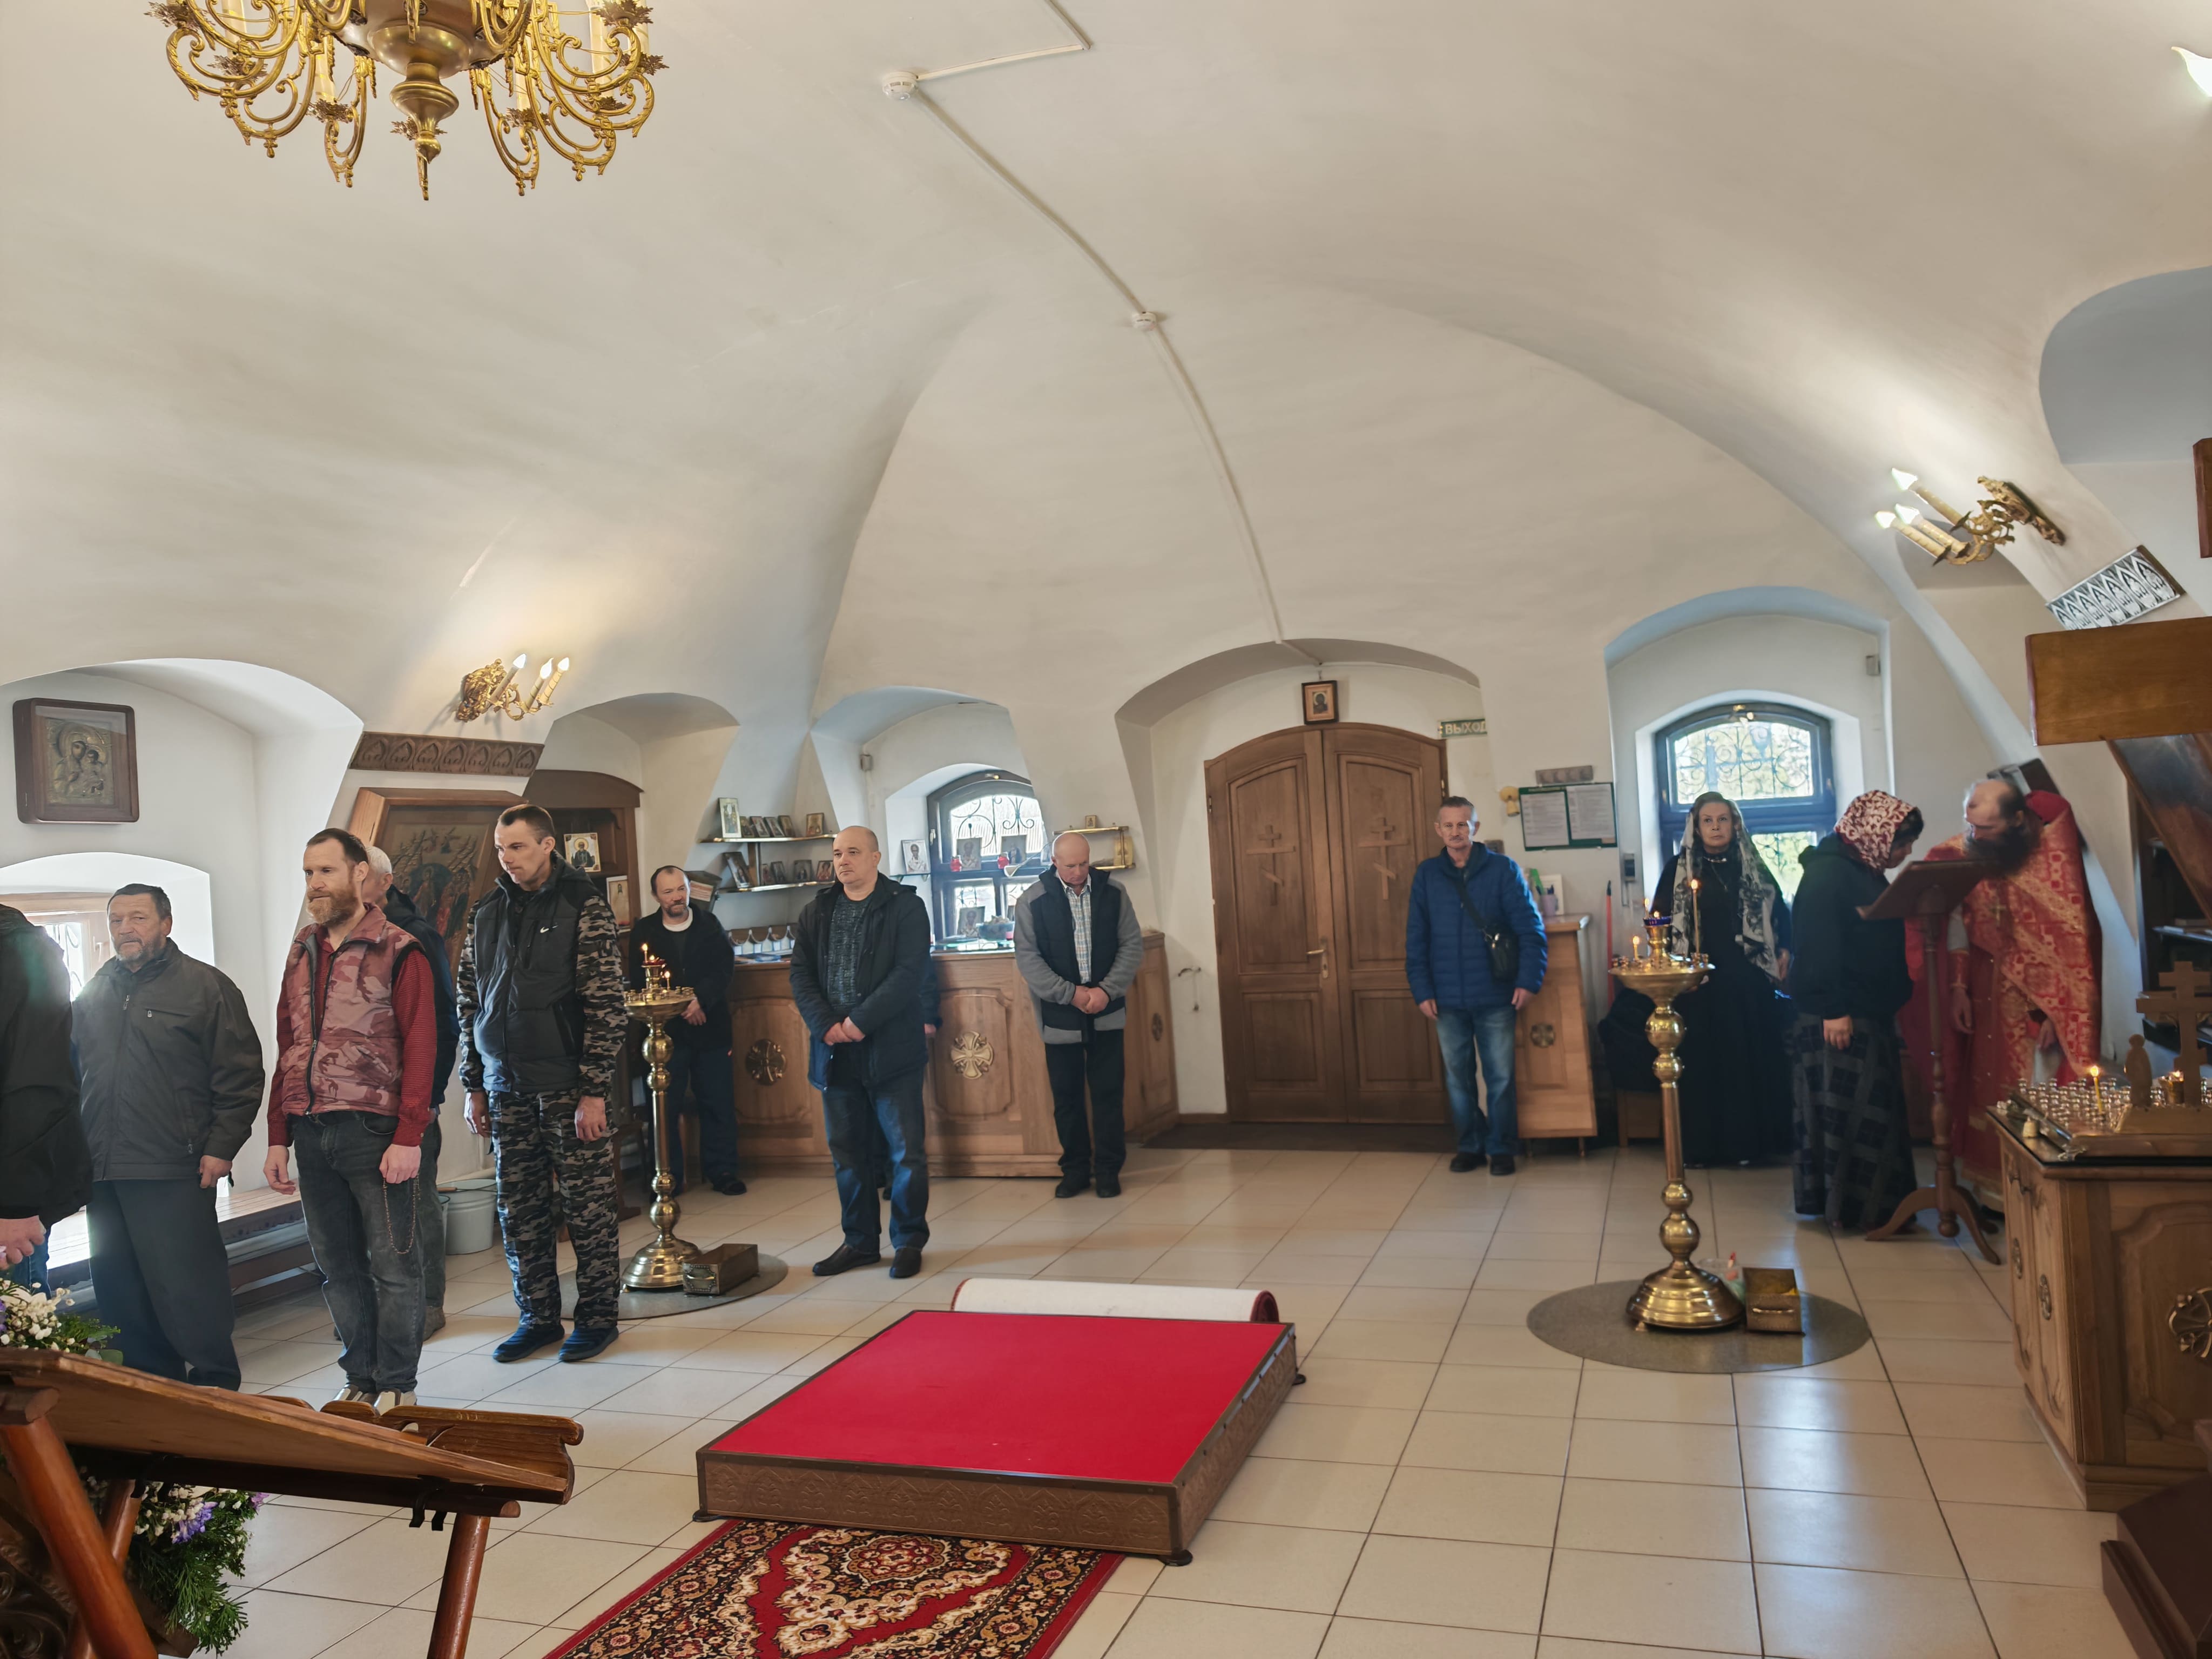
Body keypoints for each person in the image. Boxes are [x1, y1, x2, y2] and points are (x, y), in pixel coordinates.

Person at [261, 830, 435, 1412]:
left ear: (360, 874)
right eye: (308, 873)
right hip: (312, 1131)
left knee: (393, 1266)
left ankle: (399, 1385)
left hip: (374, 1131)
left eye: (326, 872)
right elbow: (288, 1046)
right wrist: (278, 1136)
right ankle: (360, 1379)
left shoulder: (399, 949)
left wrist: (409, 1136)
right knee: (337, 1269)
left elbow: (421, 1045)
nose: (314, 884)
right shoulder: (302, 951)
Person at [73, 885, 264, 1388]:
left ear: (167, 923)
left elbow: (241, 1075)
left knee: (187, 1289)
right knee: (120, 1291)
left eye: (138, 918)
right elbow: (74, 1076)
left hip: (175, 1166)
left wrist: (222, 1148)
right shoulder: (95, 990)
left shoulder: (205, 987)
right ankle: (151, 1391)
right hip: (103, 1171)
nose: (125, 929)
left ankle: (215, 1387)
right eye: (116, 920)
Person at [457, 805, 627, 1364]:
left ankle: (597, 1317)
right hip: (505, 1086)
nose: (507, 858)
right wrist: (474, 1084)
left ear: (548, 845)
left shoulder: (583, 905)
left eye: (518, 847)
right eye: (501, 848)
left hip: (567, 1087)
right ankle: (537, 1317)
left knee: (587, 1210)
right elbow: (469, 1002)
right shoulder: (486, 911)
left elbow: (606, 1004)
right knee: (519, 1212)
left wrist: (594, 1090)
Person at [1905, 774, 2100, 1206]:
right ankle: (1995, 1196)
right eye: (1971, 825)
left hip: (2037, 1008)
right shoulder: (1965, 853)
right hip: (1984, 991)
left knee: (2035, 1089)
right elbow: (1957, 920)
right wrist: (1958, 987)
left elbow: (2070, 948)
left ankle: (2039, 1195)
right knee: (1987, 1087)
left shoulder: (2051, 864)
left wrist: (2057, 1012)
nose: (1975, 836)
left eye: (1987, 828)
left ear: (2016, 820)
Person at [789, 826, 932, 1278]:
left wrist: (859, 1021)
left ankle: (908, 1241)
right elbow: (800, 975)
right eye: (837, 854)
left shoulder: (905, 906)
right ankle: (860, 1242)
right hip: (835, 1051)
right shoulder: (817, 911)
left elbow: (909, 973)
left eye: (853, 852)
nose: (843, 861)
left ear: (875, 857)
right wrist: (826, 1024)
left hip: (892, 1048)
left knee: (905, 1152)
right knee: (848, 1153)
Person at [1788, 791, 1924, 1231]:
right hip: (1839, 1016)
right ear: (1875, 834)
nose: (1906, 853)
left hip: (1866, 1011)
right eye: (1902, 844)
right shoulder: (1828, 874)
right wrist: (1834, 1009)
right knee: (1852, 1116)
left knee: (1872, 1113)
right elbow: (1818, 945)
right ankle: (1855, 1209)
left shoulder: (1861, 869)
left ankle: (1879, 1206)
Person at [1651, 793, 1795, 1166]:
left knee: (1747, 1061)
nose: (1716, 827)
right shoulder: (1678, 869)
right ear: (1696, 827)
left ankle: (1749, 1147)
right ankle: (1702, 1149)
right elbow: (1659, 921)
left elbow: (1780, 912)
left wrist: (1785, 949)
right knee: (1705, 1064)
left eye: (1723, 820)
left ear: (1735, 824)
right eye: (1708, 821)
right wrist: (1672, 966)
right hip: (1699, 984)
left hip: (1748, 981)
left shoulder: (1752, 864)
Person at [1406, 796, 1547, 1175]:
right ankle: (1470, 1145)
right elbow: (1416, 938)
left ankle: (1501, 1148)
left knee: (1500, 1078)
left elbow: (1530, 931)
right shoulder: (1427, 875)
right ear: (1438, 830)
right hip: (1446, 999)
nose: (1456, 832)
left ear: (1475, 828)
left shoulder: (1503, 870)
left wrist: (1529, 981)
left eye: (1463, 824)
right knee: (1459, 1080)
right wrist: (1422, 990)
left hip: (1496, 995)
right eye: (1448, 825)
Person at [360, 842, 458, 1336]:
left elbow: (442, 1023)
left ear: (384, 882)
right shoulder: (332, 939)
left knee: (417, 1205)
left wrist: (430, 1097)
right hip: (360, 1103)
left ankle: (428, 1303)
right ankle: (379, 1308)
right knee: (371, 1211)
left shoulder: (415, 936)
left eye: (362, 877)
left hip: (411, 1099)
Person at [1015, 831, 1145, 1198]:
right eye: (1070, 865)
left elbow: (1132, 946)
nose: (1078, 872)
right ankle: (1075, 1170)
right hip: (1060, 1014)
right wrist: (1071, 994)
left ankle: (1108, 1171)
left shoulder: (1114, 893)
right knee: (1067, 1098)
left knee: (1108, 1095)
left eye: (1084, 864)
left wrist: (1106, 991)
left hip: (1107, 1008)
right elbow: (1028, 958)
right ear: (1054, 862)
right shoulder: (1032, 900)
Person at [626, 865, 745, 1197]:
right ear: (656, 896)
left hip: (710, 1027)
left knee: (717, 1102)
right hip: (667, 1035)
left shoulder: (709, 925)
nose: (677, 897)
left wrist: (699, 1000)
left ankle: (723, 1171)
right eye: (668, 892)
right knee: (664, 1108)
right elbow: (640, 982)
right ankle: (668, 1177)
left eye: (681, 889)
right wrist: (681, 1007)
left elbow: (723, 969)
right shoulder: (645, 931)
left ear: (689, 890)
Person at [0, 902, 92, 1291]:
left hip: (10, 1195)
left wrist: (16, 1205)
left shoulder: (23, 951)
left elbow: (36, 1084)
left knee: (17, 1316)